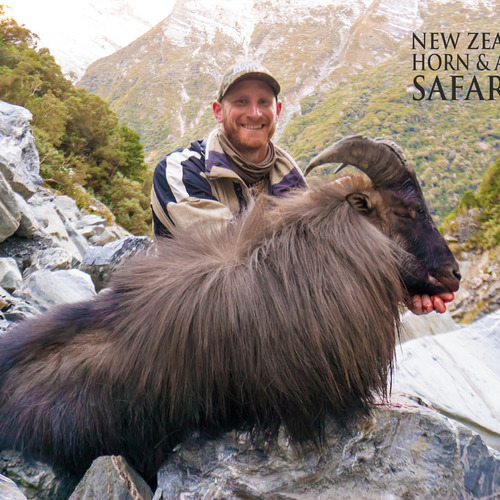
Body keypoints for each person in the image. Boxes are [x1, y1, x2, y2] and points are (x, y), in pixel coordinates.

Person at [151, 61, 454, 315]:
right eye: (241, 101)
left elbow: (318, 264)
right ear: (218, 111)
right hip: (187, 321)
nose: (254, 113)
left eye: (263, 102)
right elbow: (231, 263)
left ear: (277, 110)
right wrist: (325, 210)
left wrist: (404, 281)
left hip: (267, 322)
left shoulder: (290, 176)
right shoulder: (181, 170)